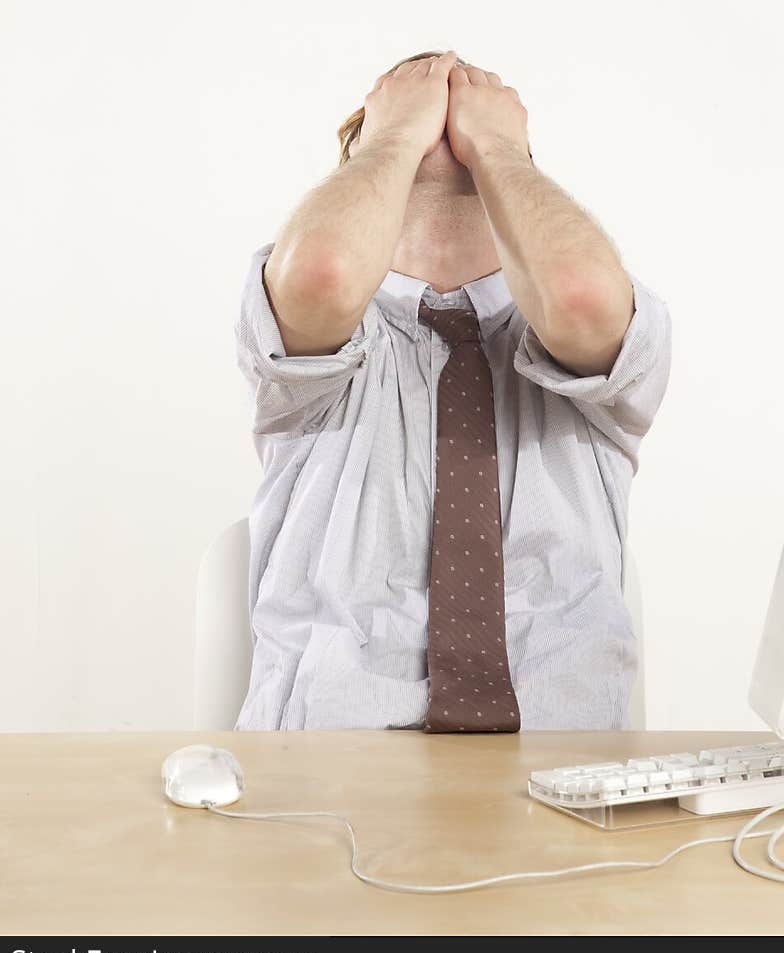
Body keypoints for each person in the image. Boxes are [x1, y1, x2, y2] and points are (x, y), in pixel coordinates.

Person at [233, 49, 671, 731]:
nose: (443, 114)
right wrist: (392, 138)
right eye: (421, 113)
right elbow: (323, 272)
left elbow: (579, 296)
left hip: (561, 778)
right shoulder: (306, 340)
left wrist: (498, 149)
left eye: (460, 121)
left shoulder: (603, 344)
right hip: (325, 772)